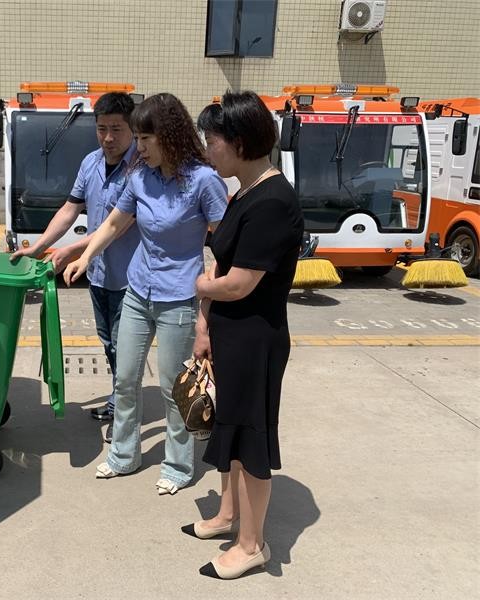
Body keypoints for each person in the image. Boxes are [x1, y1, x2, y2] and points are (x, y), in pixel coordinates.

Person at [63, 93, 228, 495]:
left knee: (174, 387)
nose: (138, 147)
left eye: (145, 138)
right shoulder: (140, 177)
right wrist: (85, 256)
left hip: (178, 298)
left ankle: (178, 465)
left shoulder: (203, 181)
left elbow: (226, 243)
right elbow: (113, 224)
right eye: (136, 138)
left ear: (170, 136)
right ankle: (123, 455)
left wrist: (211, 299)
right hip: (137, 290)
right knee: (125, 378)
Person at [182, 91, 304, 580]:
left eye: (211, 140)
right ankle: (228, 515)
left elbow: (238, 282)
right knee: (229, 427)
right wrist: (204, 323)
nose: (206, 149)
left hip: (256, 340)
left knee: (251, 439)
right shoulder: (243, 192)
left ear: (238, 141)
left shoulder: (273, 201)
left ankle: (253, 545)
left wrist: (199, 287)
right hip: (230, 334)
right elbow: (222, 262)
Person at [10, 92, 140, 442]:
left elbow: (115, 226)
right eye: (102, 129)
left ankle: (125, 417)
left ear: (132, 129)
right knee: (109, 344)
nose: (108, 138)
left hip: (131, 278)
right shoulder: (90, 163)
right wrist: (38, 247)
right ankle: (119, 401)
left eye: (116, 129)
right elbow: (70, 210)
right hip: (98, 274)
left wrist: (70, 251)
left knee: (125, 348)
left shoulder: (141, 169)